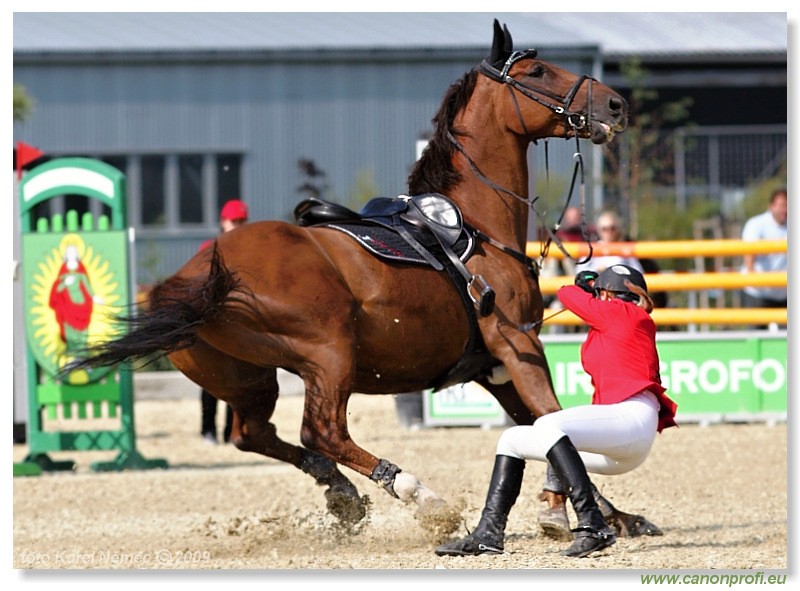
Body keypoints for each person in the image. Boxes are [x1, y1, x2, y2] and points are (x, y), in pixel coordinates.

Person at [435, 265, 678, 559]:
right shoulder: (621, 318)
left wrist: (584, 285)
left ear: (607, 294)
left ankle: (593, 525)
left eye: (601, 293)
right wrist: (595, 287)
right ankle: (489, 533)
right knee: (511, 440)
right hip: (622, 437)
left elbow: (567, 294)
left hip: (632, 418)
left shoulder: (623, 313)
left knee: (549, 425)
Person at [199, 199, 249, 444]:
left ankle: (230, 430)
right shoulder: (211, 248)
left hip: (237, 322)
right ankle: (207, 429)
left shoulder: (249, 250)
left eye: (242, 221)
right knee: (210, 379)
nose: (238, 225)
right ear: (223, 222)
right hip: (213, 320)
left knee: (235, 380)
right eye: (234, 221)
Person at [740, 188, 787, 314]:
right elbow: (749, 254)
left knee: (788, 333)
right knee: (756, 332)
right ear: (771, 206)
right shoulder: (757, 224)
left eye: (788, 205)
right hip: (758, 293)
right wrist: (754, 280)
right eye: (781, 205)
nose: (785, 210)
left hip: (784, 294)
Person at [574, 210, 644, 276]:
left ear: (618, 229)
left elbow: (638, 272)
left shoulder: (625, 249)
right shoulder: (593, 248)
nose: (609, 232)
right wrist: (597, 272)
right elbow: (580, 271)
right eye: (604, 229)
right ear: (599, 230)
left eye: (612, 228)